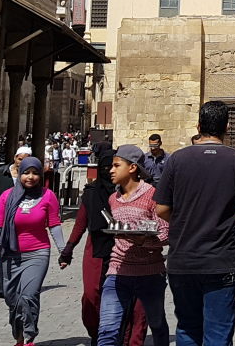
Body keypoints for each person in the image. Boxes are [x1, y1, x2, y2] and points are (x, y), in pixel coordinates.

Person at [155, 100, 235, 346]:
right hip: (221, 260)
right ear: (227, 127)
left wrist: (186, 222)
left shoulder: (176, 160)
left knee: (187, 329)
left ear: (198, 126)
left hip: (182, 260)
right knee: (218, 333)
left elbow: (161, 208)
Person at [59, 148, 148, 346]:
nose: (109, 171)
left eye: (114, 166)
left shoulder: (134, 193)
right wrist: (68, 249)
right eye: (106, 167)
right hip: (97, 250)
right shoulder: (91, 194)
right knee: (92, 297)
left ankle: (126, 339)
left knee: (132, 302)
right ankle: (99, 333)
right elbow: (80, 223)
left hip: (128, 251)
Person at [0, 157, 67, 346]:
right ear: (19, 174)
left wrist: (63, 251)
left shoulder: (48, 196)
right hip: (9, 255)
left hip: (37, 253)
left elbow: (54, 224)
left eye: (35, 173)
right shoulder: (7, 197)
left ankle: (29, 336)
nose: (31, 177)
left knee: (28, 296)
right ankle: (19, 337)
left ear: (41, 175)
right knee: (12, 300)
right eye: (26, 172)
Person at [94, 145, 170, 346]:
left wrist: (144, 240)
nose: (111, 170)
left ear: (132, 167)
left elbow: (166, 233)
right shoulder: (113, 199)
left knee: (157, 324)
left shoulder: (153, 195)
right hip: (118, 271)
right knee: (107, 330)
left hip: (150, 273)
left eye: (116, 165)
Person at [0, 145, 33, 298]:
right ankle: (1, 287)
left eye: (25, 160)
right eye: (19, 159)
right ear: (15, 158)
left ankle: (12, 283)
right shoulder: (1, 173)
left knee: (12, 254)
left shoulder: (29, 177)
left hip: (18, 221)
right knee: (0, 253)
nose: (21, 162)